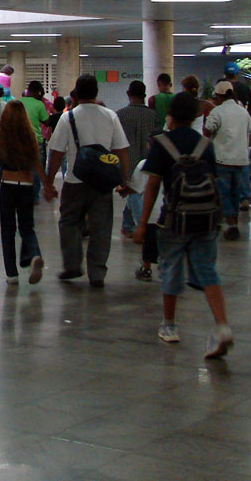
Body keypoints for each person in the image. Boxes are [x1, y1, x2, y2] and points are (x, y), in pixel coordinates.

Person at [134, 91, 233, 358]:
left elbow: (152, 185)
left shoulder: (163, 144)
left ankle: (169, 325)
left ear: (170, 116)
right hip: (206, 219)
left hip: (175, 220)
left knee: (170, 270)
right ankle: (222, 326)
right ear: (196, 116)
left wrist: (143, 224)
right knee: (207, 270)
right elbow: (215, 182)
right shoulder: (205, 145)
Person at [45, 74, 131, 286]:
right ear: (96, 92)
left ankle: (73, 265)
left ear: (76, 93)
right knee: (101, 227)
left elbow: (56, 153)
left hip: (75, 180)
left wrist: (48, 183)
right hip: (102, 183)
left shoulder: (68, 117)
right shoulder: (110, 116)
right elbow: (122, 151)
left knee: (69, 222)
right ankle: (97, 273)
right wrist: (124, 180)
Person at [0, 100, 55, 284]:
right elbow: (37, 164)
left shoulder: (2, 135)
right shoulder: (30, 135)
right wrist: (47, 186)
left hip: (8, 185)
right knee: (27, 227)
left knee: (8, 230)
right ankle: (34, 255)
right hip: (27, 185)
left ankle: (12, 274)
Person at [204, 80, 251, 240]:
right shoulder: (243, 112)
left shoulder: (217, 112)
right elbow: (250, 132)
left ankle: (230, 224)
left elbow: (207, 131)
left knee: (224, 194)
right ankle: (234, 223)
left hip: (222, 160)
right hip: (241, 160)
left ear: (218, 96)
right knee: (236, 193)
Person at [117, 80, 159, 236]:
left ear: (128, 94)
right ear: (145, 95)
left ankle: (134, 225)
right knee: (137, 193)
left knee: (133, 192)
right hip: (148, 160)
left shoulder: (120, 115)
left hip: (128, 161)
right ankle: (129, 225)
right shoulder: (153, 115)